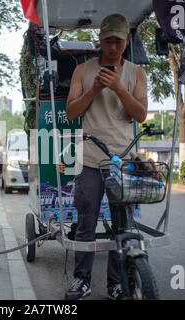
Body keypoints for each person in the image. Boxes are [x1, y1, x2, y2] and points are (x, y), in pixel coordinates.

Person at [64, 14, 148, 300]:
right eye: (107, 40)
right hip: (89, 158)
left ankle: (116, 283)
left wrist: (118, 88)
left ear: (126, 42)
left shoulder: (137, 73)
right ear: (99, 41)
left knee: (121, 224)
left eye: (118, 41)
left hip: (122, 159)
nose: (112, 46)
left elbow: (139, 114)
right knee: (86, 221)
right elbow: (71, 112)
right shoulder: (83, 71)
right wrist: (96, 89)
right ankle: (81, 280)